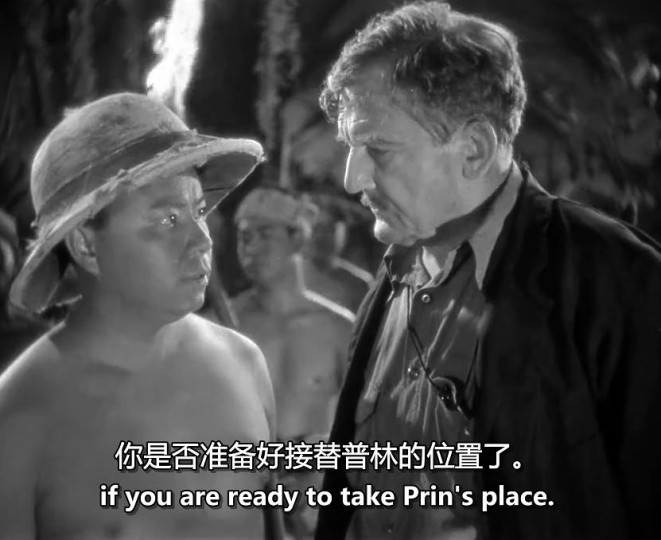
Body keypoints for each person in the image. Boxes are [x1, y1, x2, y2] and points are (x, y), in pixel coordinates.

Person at [314, 3, 661, 540]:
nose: (350, 178)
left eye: (377, 150)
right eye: (350, 148)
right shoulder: (393, 276)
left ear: (473, 149)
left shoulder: (616, 280)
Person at [0, 93, 283, 540]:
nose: (203, 240)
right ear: (86, 246)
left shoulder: (244, 362)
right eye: (168, 220)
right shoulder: (19, 417)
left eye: (199, 211)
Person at [232, 187, 353, 538]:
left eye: (264, 233)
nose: (250, 246)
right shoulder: (221, 327)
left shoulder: (338, 328)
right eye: (244, 236)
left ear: (297, 238)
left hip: (316, 506)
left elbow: (364, 426)